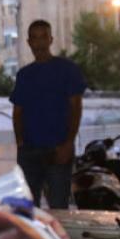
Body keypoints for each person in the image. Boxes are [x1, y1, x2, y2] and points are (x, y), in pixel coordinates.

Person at [11, 20, 86, 210]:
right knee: (28, 208)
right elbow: (17, 112)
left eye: (43, 37)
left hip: (58, 150)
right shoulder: (24, 75)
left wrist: (68, 143)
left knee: (59, 208)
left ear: (51, 39)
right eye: (34, 38)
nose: (39, 43)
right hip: (29, 152)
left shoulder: (67, 70)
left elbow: (76, 107)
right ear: (28, 42)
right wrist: (20, 143)